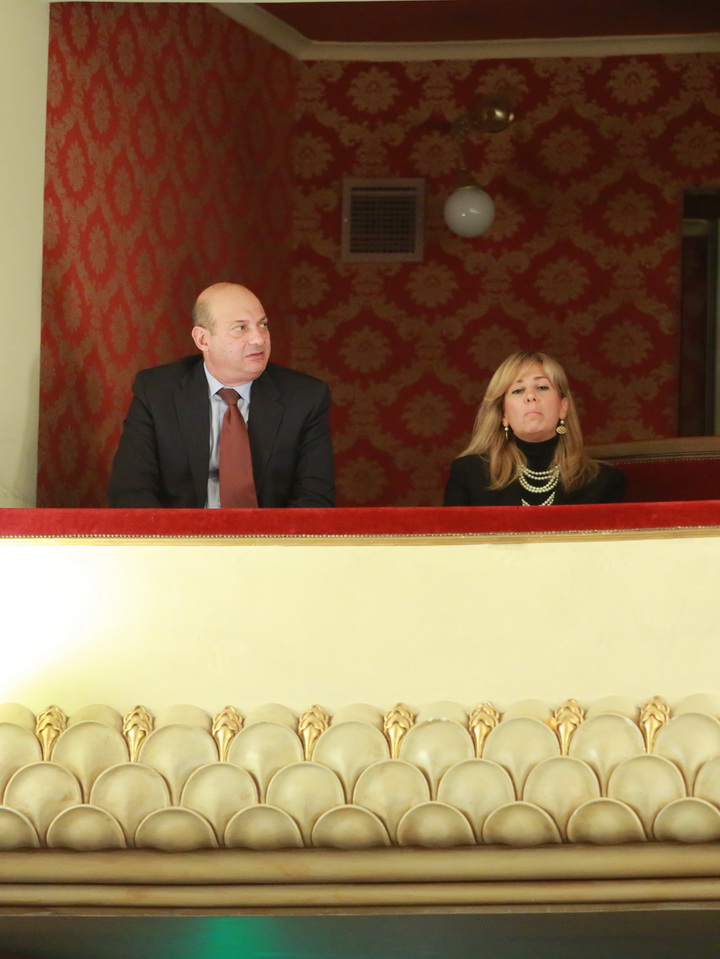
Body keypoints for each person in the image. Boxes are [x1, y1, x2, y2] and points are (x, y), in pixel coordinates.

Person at [107, 282, 335, 508]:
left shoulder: (305, 398)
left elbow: (314, 499)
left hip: (271, 531)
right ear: (203, 339)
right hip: (181, 531)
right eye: (241, 328)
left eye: (263, 325)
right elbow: (131, 490)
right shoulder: (157, 392)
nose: (259, 339)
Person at [443, 351, 624, 506]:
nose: (530, 396)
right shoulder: (469, 474)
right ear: (504, 415)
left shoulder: (602, 481)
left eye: (542, 387)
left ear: (563, 407)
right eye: (518, 390)